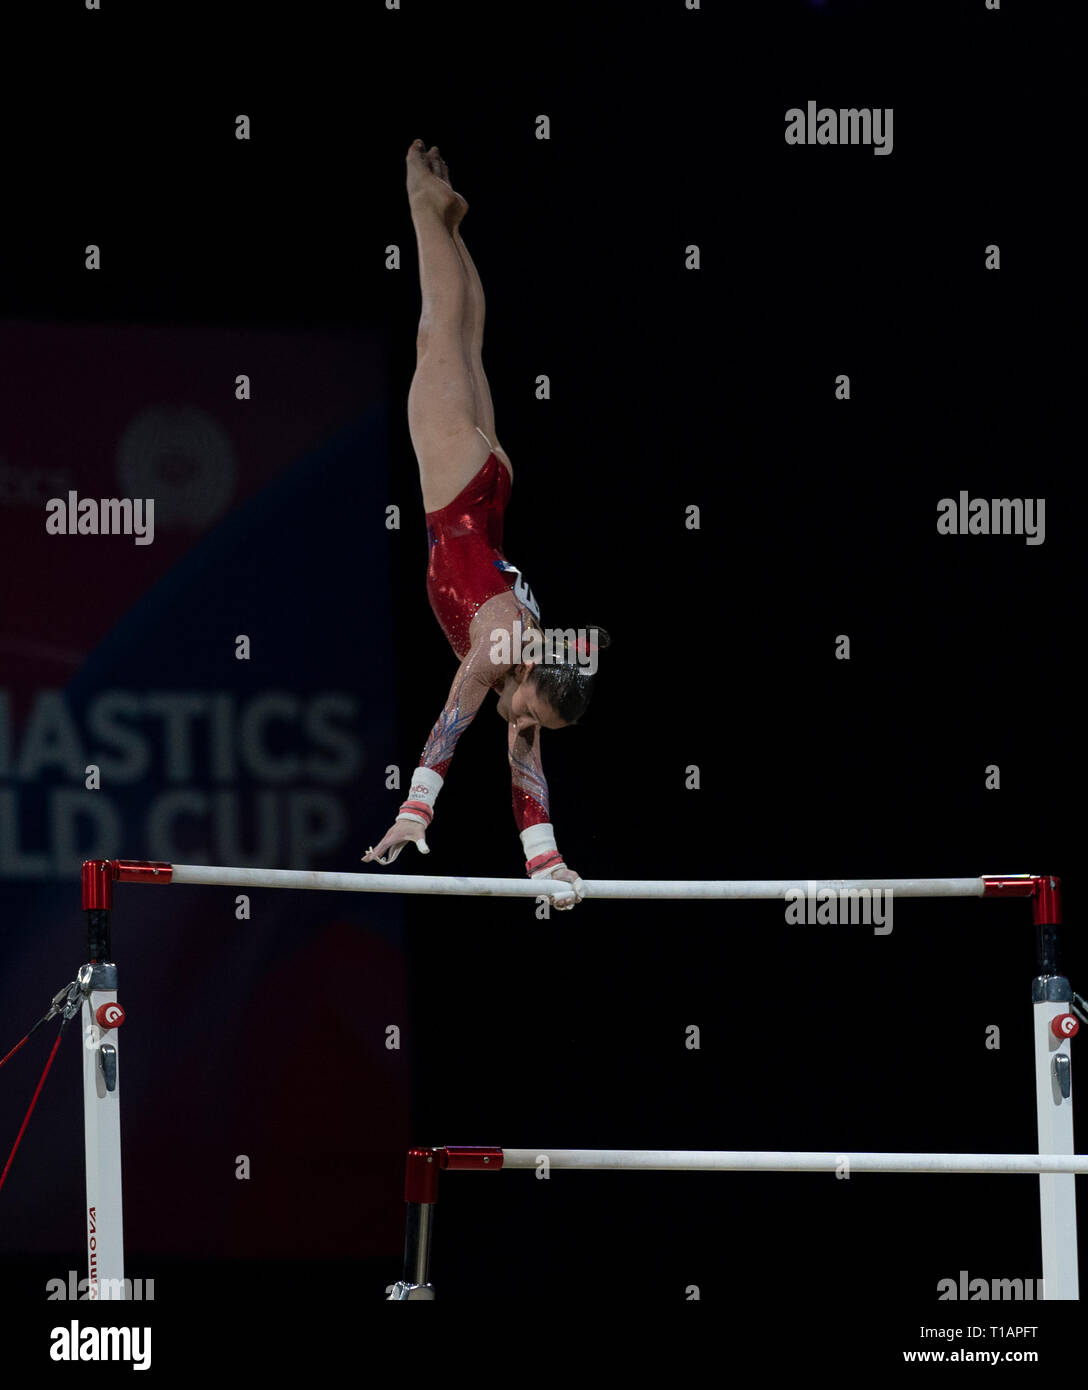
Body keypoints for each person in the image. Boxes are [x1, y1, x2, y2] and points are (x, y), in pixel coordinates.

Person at [363, 141, 608, 909]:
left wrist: (548, 864)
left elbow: (523, 770)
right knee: (439, 334)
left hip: (487, 483)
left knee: (463, 341)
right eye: (529, 711)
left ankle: (451, 226)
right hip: (458, 500)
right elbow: (452, 724)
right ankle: (420, 200)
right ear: (533, 674)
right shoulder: (502, 646)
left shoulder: (530, 663)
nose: (521, 724)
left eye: (533, 721)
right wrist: (414, 812)